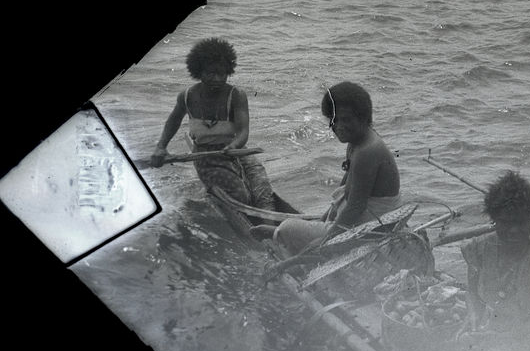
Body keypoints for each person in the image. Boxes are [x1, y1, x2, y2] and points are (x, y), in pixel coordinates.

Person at [262, 81, 402, 254]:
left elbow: (355, 207)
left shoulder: (368, 151)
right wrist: (324, 220)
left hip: (369, 229)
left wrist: (325, 240)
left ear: (364, 117)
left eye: (346, 119)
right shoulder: (356, 143)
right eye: (334, 120)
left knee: (289, 227)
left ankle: (282, 234)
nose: (339, 127)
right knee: (299, 226)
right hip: (361, 221)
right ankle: (284, 233)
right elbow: (344, 191)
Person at [149, 37, 275, 210]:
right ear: (199, 72)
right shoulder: (186, 97)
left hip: (234, 150)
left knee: (261, 185)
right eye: (210, 73)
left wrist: (234, 146)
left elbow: (243, 132)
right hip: (205, 156)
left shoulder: (237, 95)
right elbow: (173, 121)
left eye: (221, 74)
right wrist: (161, 147)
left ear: (228, 72)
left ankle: (268, 227)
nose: (217, 79)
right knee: (241, 196)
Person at [459, 170, 530, 341]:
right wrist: (473, 319)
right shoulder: (478, 249)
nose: (514, 231)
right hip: (494, 329)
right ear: (494, 220)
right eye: (506, 223)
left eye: (521, 222)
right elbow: (473, 294)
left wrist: (504, 339)